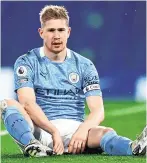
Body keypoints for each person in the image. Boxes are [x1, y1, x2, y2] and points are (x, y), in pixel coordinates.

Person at [0, 5, 146, 157]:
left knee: (106, 132)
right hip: (41, 130)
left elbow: (98, 110)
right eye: (51, 30)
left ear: (68, 32)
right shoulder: (26, 62)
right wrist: (53, 131)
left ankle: (133, 148)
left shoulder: (84, 65)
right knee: (7, 104)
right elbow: (27, 103)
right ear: (41, 32)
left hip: (76, 131)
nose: (56, 36)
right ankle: (33, 146)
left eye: (61, 30)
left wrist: (82, 131)